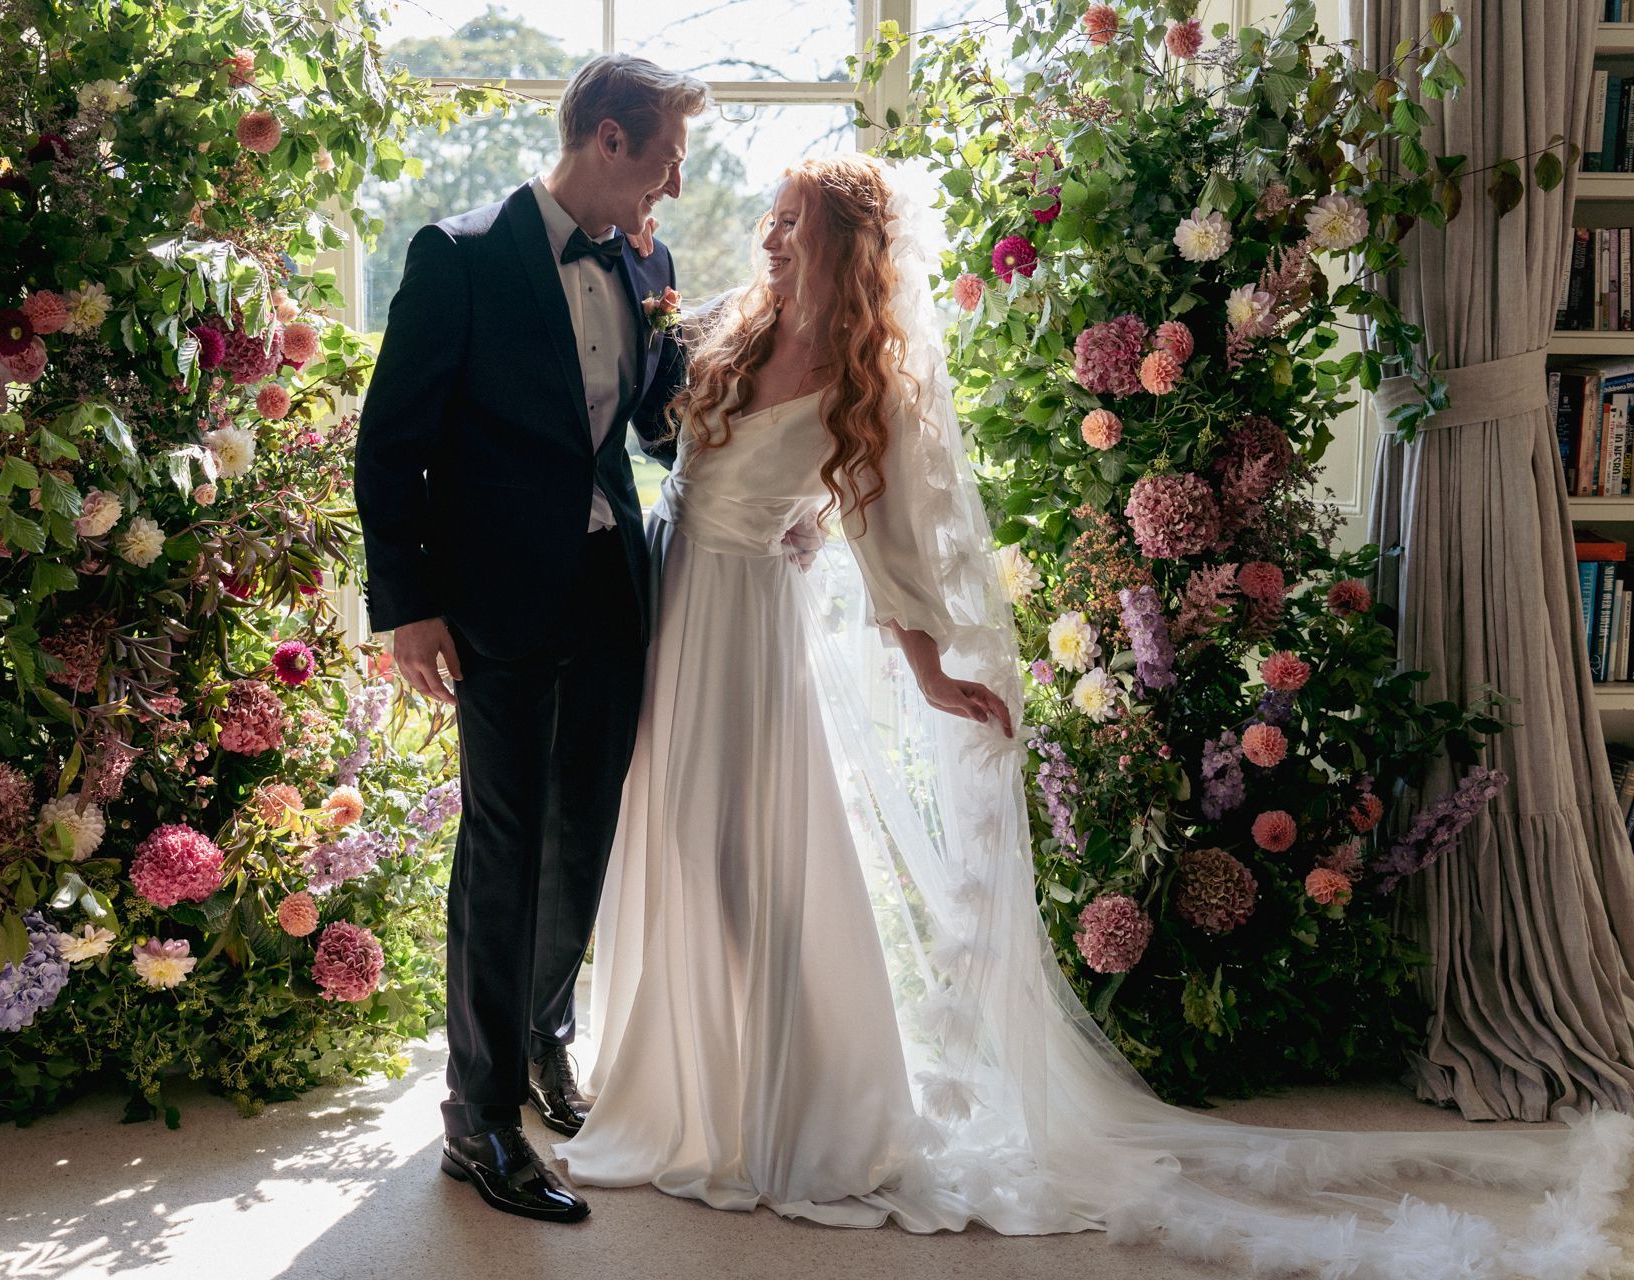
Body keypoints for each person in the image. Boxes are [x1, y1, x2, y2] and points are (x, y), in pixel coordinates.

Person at [559, 153, 1634, 1274]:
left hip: (744, 637)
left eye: (793, 225)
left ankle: (802, 1100)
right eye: (771, 221)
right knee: (675, 840)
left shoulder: (857, 374)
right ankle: (686, 1075)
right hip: (672, 606)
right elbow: (685, 465)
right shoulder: (736, 329)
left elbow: (885, 538)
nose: (772, 240)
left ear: (844, 247)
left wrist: (929, 670)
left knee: (750, 859)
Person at [353, 53, 707, 1224]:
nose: (670, 185)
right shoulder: (458, 257)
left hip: (612, 584)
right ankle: (480, 1115)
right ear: (608, 141)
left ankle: (547, 1035)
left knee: (584, 832)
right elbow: (390, 440)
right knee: (502, 847)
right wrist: (407, 605)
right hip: (495, 601)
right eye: (663, 160)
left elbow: (654, 422)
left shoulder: (646, 260)